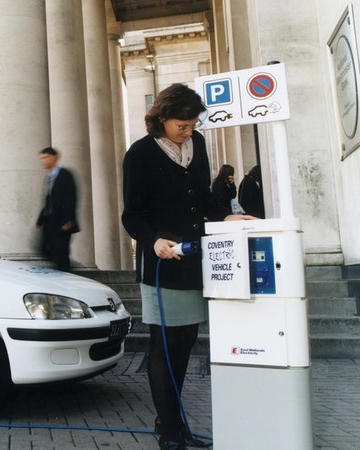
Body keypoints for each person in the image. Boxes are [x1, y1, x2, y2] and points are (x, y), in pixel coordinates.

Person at [121, 84, 254, 449]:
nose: (189, 131)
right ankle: (168, 428)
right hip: (163, 260)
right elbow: (131, 214)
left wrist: (227, 216)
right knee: (164, 346)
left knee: (184, 345)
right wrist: (153, 241)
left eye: (193, 124)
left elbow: (206, 200)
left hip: (195, 261)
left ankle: (174, 422)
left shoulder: (198, 146)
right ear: (162, 118)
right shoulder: (140, 154)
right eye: (182, 125)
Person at [36, 147, 79, 271]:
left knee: (61, 252)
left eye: (45, 157)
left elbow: (72, 197)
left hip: (62, 222)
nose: (43, 161)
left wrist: (70, 220)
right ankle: (63, 267)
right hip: (49, 221)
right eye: (41, 158)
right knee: (44, 248)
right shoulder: (49, 177)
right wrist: (40, 219)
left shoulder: (65, 175)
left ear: (54, 157)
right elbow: (49, 200)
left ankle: (66, 271)